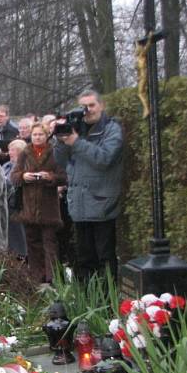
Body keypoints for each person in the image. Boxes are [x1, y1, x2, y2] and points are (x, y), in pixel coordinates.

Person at [54, 90, 124, 281]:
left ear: (101, 105)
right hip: (79, 205)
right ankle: (87, 302)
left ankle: (107, 302)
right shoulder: (78, 128)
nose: (87, 110)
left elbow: (105, 159)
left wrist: (76, 142)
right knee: (84, 259)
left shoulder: (111, 129)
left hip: (102, 205)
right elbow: (60, 161)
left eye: (91, 105)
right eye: (83, 106)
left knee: (104, 258)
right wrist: (61, 140)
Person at [11, 124, 68, 284]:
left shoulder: (54, 152)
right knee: (32, 243)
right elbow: (14, 175)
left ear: (47, 135)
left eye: (40, 134)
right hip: (28, 207)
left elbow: (63, 176)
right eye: (35, 134)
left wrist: (49, 177)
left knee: (49, 243)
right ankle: (36, 277)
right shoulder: (25, 153)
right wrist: (24, 176)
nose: (37, 137)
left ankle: (52, 278)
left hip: (48, 207)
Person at [4, 139, 28, 259]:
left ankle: (21, 256)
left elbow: (15, 182)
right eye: (9, 150)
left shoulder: (24, 166)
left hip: (17, 205)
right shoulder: (6, 165)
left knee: (18, 237)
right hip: (4, 206)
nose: (9, 153)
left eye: (12, 150)